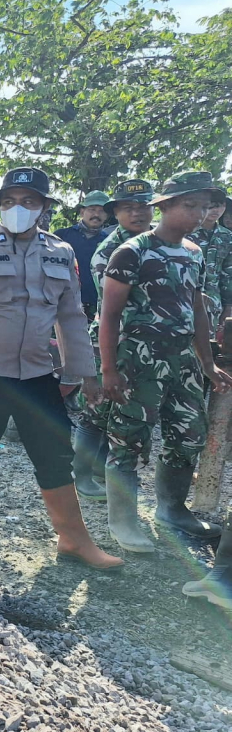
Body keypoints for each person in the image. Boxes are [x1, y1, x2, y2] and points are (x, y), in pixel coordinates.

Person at [0, 167, 123, 573]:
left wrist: (85, 373)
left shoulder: (61, 252)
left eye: (28, 201)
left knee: (55, 455)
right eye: (9, 201)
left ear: (44, 207)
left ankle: (73, 538)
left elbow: (71, 317)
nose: (18, 209)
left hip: (38, 375)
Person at [99, 171, 231, 553]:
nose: (199, 214)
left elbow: (197, 309)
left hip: (183, 360)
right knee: (128, 438)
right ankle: (123, 520)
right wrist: (108, 369)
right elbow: (109, 315)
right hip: (139, 360)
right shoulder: (132, 252)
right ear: (165, 206)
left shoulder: (194, 252)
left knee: (189, 435)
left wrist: (207, 363)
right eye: (190, 205)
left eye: (204, 206)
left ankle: (171, 510)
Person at [71, 179, 155, 501]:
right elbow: (115, 310)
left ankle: (102, 472)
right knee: (96, 411)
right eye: (128, 208)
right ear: (115, 213)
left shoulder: (160, 242)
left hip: (147, 348)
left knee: (125, 412)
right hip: (114, 343)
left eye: (144, 206)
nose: (138, 213)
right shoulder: (107, 252)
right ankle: (81, 476)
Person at [56, 190, 113, 321]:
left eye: (101, 211)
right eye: (92, 210)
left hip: (97, 309)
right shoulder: (62, 236)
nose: (96, 215)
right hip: (64, 305)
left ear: (107, 215)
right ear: (82, 212)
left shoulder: (111, 242)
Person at [187, 190, 232, 340]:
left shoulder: (227, 236)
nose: (215, 210)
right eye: (211, 206)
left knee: (209, 345)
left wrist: (228, 306)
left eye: (220, 206)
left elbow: (228, 275)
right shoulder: (186, 232)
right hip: (186, 302)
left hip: (214, 304)